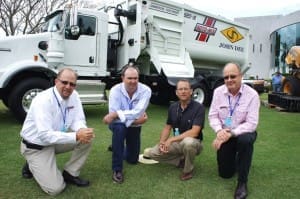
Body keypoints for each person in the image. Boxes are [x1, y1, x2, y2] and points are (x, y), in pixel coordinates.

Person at [20, 68, 95, 196]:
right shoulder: (43, 100)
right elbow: (44, 135)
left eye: (72, 84)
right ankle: (31, 163)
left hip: (54, 141)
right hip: (36, 147)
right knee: (56, 189)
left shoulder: (74, 95)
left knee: (87, 138)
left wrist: (82, 130)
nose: (68, 87)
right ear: (56, 81)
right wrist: (76, 135)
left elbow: (77, 119)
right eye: (64, 82)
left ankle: (70, 173)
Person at [208, 62, 260, 199]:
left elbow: (252, 123)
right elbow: (213, 116)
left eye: (233, 76)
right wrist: (219, 132)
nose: (229, 80)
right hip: (225, 133)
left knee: (244, 141)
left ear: (241, 76)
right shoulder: (218, 92)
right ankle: (238, 160)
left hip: (244, 132)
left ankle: (242, 182)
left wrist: (231, 133)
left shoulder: (252, 95)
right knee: (225, 174)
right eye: (226, 77)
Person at [142, 79, 205, 181]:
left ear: (191, 91)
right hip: (178, 142)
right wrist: (162, 142)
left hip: (194, 142)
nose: (183, 91)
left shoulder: (199, 108)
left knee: (188, 142)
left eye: (186, 89)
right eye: (180, 89)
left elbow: (194, 132)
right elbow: (167, 127)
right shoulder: (173, 107)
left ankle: (188, 171)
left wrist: (170, 140)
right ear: (176, 92)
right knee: (153, 153)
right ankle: (180, 161)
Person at [103, 64, 151, 184]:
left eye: (136, 78)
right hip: (118, 124)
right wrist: (138, 120)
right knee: (119, 128)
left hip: (134, 126)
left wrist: (116, 114)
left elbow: (138, 112)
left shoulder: (146, 90)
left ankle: (116, 147)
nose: (133, 81)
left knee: (133, 159)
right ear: (122, 78)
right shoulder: (115, 90)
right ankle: (117, 170)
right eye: (130, 78)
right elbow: (118, 118)